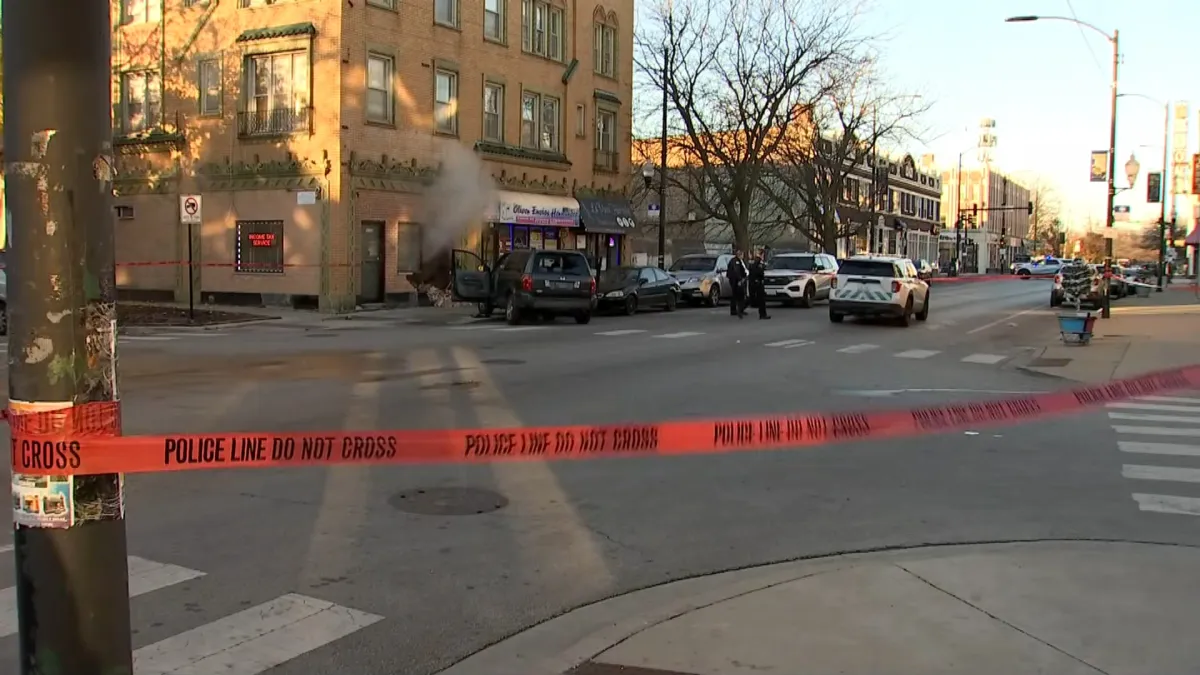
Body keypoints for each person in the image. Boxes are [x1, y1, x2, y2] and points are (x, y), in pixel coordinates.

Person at [748, 249, 771, 319]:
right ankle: (762, 314)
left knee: (760, 299)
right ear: (762, 255)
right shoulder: (758, 262)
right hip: (759, 283)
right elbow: (758, 272)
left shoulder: (755, 261)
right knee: (761, 300)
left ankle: (762, 314)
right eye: (763, 255)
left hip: (756, 282)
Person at [726, 249, 749, 318]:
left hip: (738, 280)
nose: (743, 256)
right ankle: (736, 310)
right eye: (742, 255)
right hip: (735, 280)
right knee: (737, 295)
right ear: (740, 255)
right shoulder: (735, 261)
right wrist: (740, 279)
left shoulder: (739, 261)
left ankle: (738, 310)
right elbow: (736, 271)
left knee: (737, 295)